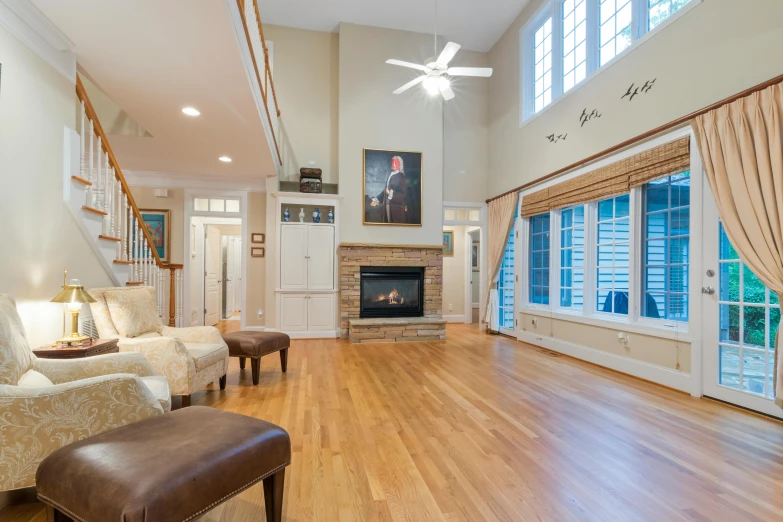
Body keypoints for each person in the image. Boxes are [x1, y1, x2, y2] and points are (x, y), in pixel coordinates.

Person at [370, 155, 408, 223]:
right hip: (388, 207)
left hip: (396, 209)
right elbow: (386, 190)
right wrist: (377, 200)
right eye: (392, 162)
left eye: (395, 163)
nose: (393, 164)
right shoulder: (391, 175)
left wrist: (390, 194)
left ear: (399, 165)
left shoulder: (401, 177)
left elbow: (402, 194)